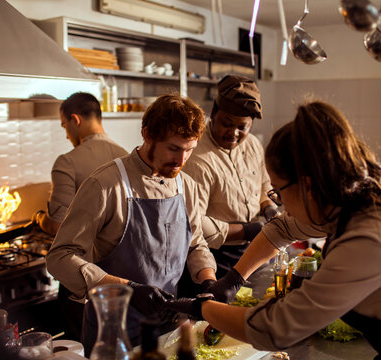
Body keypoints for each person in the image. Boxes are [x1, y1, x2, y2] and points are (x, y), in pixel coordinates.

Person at [164, 100, 381, 358]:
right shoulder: (345, 206)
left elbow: (276, 329)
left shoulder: (368, 240)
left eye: (278, 190)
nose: (278, 201)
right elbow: (280, 229)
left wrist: (202, 307)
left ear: (308, 186)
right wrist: (233, 279)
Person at [45, 94, 218, 355]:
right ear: (147, 134)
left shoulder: (187, 186)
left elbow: (195, 244)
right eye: (173, 148)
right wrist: (128, 289)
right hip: (113, 331)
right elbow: (60, 257)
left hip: (167, 329)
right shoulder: (105, 185)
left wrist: (208, 280)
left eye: (189, 149)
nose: (182, 160)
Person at [33, 92, 128, 342]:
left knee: (82, 345)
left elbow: (57, 225)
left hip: (84, 276)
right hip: (123, 274)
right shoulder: (127, 157)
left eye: (64, 126)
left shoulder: (67, 162)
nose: (66, 134)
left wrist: (39, 218)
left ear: (75, 120)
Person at [181, 75, 276, 284]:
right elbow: (193, 222)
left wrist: (268, 206)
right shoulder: (197, 158)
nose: (233, 133)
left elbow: (262, 184)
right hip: (218, 256)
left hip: (256, 247)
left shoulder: (252, 145)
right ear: (214, 113)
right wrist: (246, 230)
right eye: (227, 123)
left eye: (242, 127)